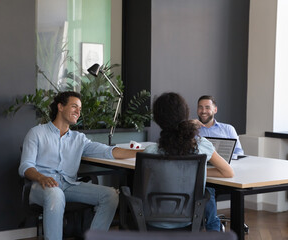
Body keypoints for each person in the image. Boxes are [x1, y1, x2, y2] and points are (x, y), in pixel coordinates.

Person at [18, 91, 141, 240]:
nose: (78, 111)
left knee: (110, 196)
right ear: (60, 107)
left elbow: (108, 151)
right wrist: (41, 177)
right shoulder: (37, 133)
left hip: (69, 186)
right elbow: (25, 166)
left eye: (80, 109)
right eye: (74, 106)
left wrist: (141, 153)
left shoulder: (79, 139)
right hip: (41, 187)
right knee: (55, 193)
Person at [144, 92, 234, 230]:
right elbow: (227, 172)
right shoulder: (202, 145)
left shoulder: (150, 152)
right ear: (185, 115)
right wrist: (198, 173)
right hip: (189, 220)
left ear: (157, 119)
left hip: (152, 221)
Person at [194, 95, 244, 231]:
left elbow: (239, 152)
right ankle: (213, 228)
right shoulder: (192, 129)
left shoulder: (227, 129)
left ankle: (212, 227)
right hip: (200, 169)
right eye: (200, 107)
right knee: (206, 186)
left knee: (206, 187)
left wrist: (220, 159)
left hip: (222, 170)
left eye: (207, 107)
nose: (203, 111)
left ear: (215, 110)